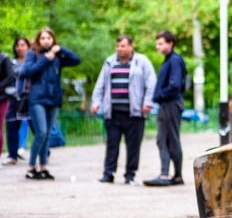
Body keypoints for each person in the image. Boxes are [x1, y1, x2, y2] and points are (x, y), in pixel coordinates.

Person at [90, 35, 157, 184]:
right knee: (112, 144)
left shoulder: (142, 62)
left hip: (134, 113)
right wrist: (96, 102)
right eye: (118, 46)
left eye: (123, 46)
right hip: (113, 112)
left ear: (131, 46)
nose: (119, 49)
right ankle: (108, 173)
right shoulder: (110, 62)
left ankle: (130, 175)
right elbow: (100, 83)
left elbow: (151, 83)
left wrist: (147, 103)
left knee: (133, 145)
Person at [17, 27, 81, 180]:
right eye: (43, 38)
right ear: (38, 40)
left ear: (53, 40)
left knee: (47, 136)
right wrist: (47, 58)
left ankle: (43, 167)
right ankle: (31, 167)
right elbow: (26, 71)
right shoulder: (33, 54)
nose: (46, 41)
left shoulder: (59, 57)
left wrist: (61, 49)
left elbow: (76, 60)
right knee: (42, 132)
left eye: (49, 38)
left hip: (53, 100)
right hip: (37, 99)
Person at [145, 30, 186, 186]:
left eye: (160, 43)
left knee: (165, 139)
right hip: (169, 104)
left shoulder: (174, 60)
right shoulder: (170, 60)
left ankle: (165, 175)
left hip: (170, 104)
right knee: (169, 139)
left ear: (170, 43)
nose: (158, 46)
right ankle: (176, 176)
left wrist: (158, 95)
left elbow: (175, 85)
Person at [3, 36, 31, 164]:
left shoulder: (33, 62)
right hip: (13, 99)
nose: (20, 48)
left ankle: (44, 151)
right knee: (12, 126)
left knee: (36, 126)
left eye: (23, 45)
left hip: (30, 99)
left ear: (28, 47)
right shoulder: (10, 62)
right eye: (18, 45)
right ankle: (12, 156)